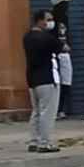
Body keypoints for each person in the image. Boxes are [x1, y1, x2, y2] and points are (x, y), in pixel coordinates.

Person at [23, 9, 60, 153]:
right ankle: (44, 142)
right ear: (40, 20)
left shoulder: (27, 37)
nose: (50, 22)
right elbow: (63, 48)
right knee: (47, 113)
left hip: (32, 79)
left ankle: (34, 140)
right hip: (47, 78)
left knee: (36, 111)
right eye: (48, 19)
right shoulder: (46, 38)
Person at [50, 0, 74, 119]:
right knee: (55, 81)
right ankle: (55, 109)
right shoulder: (51, 19)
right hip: (55, 54)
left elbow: (64, 34)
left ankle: (61, 108)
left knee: (66, 81)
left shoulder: (64, 18)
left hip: (65, 54)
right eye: (64, 4)